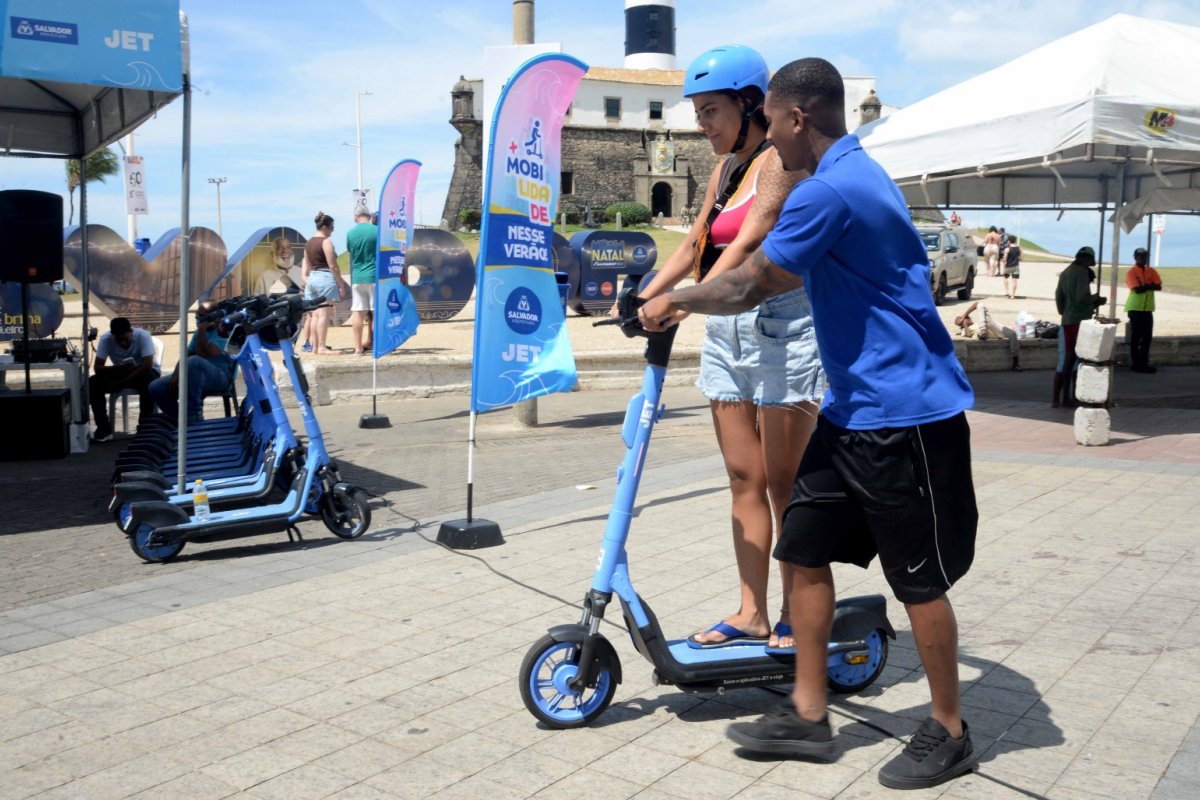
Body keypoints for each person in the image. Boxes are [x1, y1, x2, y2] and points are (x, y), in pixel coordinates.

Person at [639, 57, 979, 790]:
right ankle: (808, 714)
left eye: (777, 126)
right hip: (854, 409)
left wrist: (679, 302)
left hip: (907, 414)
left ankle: (950, 729)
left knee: (916, 581)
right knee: (802, 546)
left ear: (796, 118)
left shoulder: (830, 191)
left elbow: (756, 282)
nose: (773, 145)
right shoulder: (851, 174)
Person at [620, 44, 824, 652]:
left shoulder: (778, 164)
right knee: (743, 477)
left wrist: (680, 301)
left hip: (782, 328)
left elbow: (747, 245)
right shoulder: (723, 169)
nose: (701, 124)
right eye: (698, 112)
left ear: (750, 104)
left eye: (711, 111)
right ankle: (751, 611)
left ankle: (795, 614)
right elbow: (695, 244)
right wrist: (641, 296)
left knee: (786, 483)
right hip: (726, 330)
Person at [149, 300, 237, 424]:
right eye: (198, 316)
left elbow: (207, 353)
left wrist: (201, 330)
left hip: (221, 377)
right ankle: (179, 419)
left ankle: (193, 414)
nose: (199, 320)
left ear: (214, 316)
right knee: (156, 387)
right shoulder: (200, 332)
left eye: (202, 317)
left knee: (195, 361)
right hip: (197, 376)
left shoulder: (224, 330)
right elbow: (186, 355)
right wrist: (175, 376)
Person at [89, 317, 159, 442]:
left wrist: (120, 383)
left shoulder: (143, 336)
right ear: (112, 336)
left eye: (126, 339)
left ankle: (145, 426)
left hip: (143, 371)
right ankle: (103, 427)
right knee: (93, 383)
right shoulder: (106, 339)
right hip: (120, 371)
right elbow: (97, 368)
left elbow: (147, 365)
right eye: (118, 340)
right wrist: (117, 367)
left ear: (131, 332)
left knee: (150, 383)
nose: (123, 343)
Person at [1053, 246, 1105, 408]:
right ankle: (1069, 397)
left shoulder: (1066, 272)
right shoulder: (1081, 272)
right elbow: (1082, 297)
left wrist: (1064, 311)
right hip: (1079, 320)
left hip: (1067, 320)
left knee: (1068, 360)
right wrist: (1096, 299)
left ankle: (1059, 399)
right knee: (1073, 360)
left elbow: (1058, 297)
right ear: (1086, 259)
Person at [301, 210, 346, 354]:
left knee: (314, 314)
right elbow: (332, 265)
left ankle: (314, 346)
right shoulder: (326, 242)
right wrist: (340, 283)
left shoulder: (308, 243)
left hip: (312, 278)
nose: (332, 231)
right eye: (332, 228)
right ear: (325, 227)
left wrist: (308, 280)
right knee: (324, 314)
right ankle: (321, 346)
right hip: (324, 277)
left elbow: (306, 266)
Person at [346, 204, 379, 355]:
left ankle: (358, 348)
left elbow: (350, 251)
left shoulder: (350, 233)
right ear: (370, 216)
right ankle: (379, 345)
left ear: (355, 217)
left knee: (358, 312)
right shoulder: (376, 231)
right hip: (374, 275)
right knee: (377, 312)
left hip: (358, 277)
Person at [1125, 246, 1162, 373]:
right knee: (1136, 338)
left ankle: (1143, 363)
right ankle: (1136, 364)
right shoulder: (1131, 272)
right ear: (1135, 258)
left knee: (1147, 338)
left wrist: (1145, 285)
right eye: (1141, 257)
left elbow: (1159, 286)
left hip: (1147, 309)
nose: (1144, 259)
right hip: (1135, 308)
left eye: (1145, 257)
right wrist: (1149, 285)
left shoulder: (1151, 271)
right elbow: (1137, 290)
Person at [954, 301, 1021, 371]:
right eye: (960, 321)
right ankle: (983, 332)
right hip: (987, 333)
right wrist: (964, 325)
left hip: (990, 328)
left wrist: (964, 315)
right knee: (1012, 334)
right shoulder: (965, 330)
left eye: (964, 318)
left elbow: (976, 304)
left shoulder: (980, 321)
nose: (964, 319)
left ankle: (1016, 363)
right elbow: (968, 335)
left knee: (1013, 334)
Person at [1002, 232, 1021, 299]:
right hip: (1016, 266)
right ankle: (1013, 295)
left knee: (1005, 278)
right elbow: (1021, 258)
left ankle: (1007, 292)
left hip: (1008, 266)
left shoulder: (1007, 249)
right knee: (1014, 280)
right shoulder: (1019, 249)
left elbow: (1004, 259)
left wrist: (1004, 266)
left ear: (1009, 241)